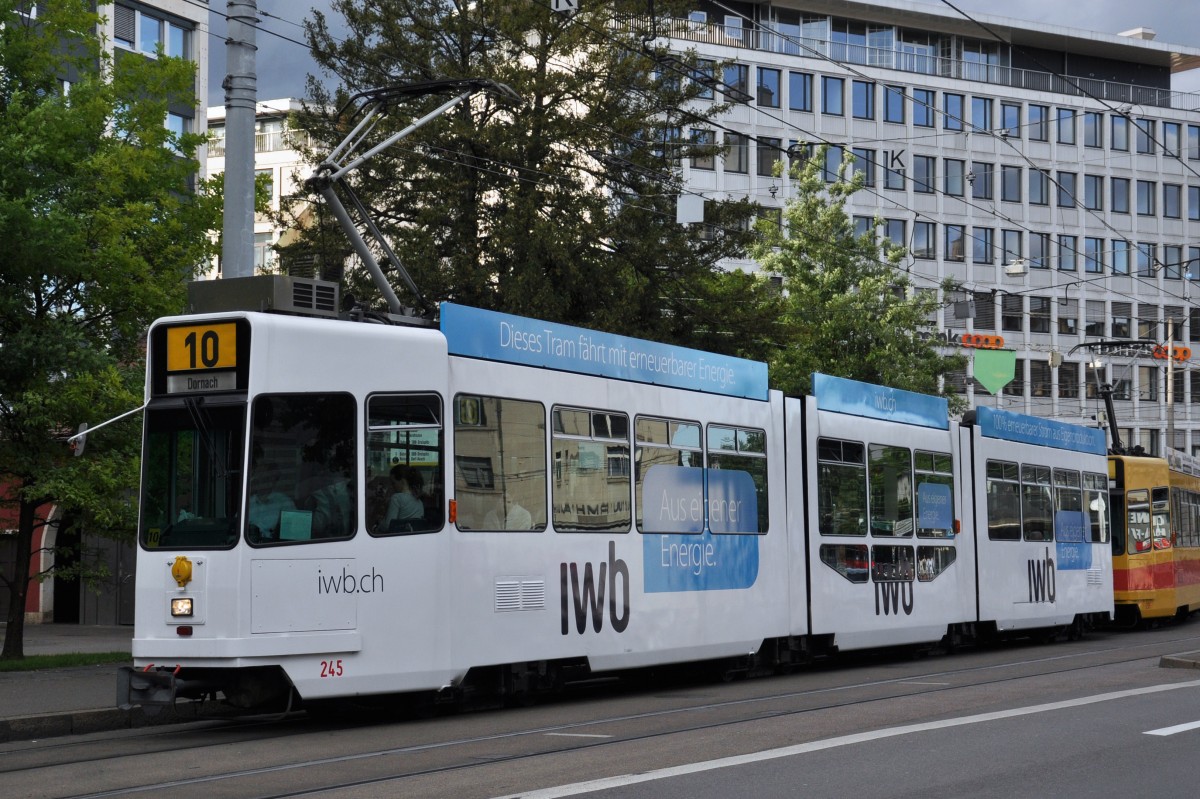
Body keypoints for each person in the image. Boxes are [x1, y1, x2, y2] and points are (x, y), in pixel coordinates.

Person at [383, 466, 425, 531]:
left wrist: (379, 523)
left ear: (403, 481)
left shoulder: (396, 498)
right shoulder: (419, 502)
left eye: (393, 483)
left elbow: (388, 526)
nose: (392, 486)